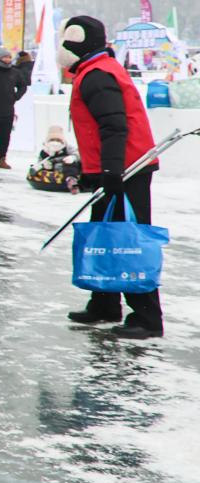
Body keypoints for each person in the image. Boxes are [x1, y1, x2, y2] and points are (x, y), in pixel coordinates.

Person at [60, 16, 163, 339]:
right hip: (117, 167)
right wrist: (93, 169)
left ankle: (146, 316)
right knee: (105, 238)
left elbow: (115, 126)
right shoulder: (96, 70)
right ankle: (105, 303)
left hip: (126, 170)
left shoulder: (98, 76)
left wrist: (111, 170)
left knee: (127, 241)